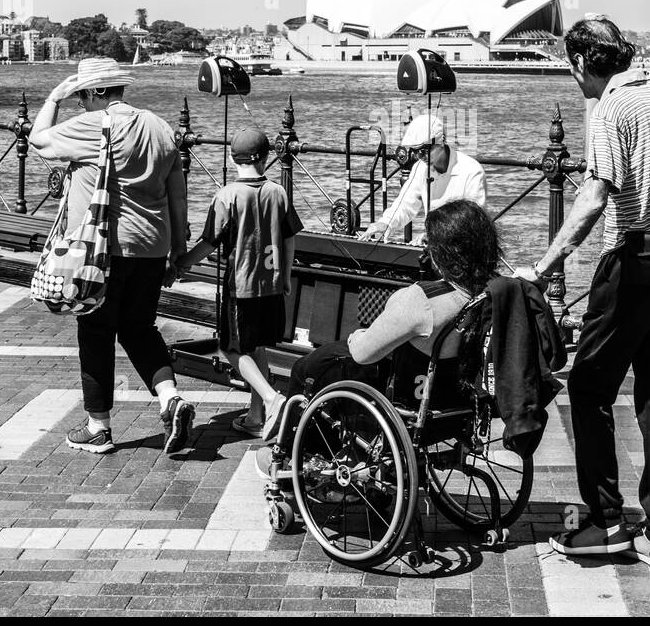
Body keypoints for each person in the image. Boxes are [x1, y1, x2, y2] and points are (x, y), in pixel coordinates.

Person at [515, 15, 650, 568]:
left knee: (588, 386)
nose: (572, 77)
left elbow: (595, 197)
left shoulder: (610, 109)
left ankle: (605, 522)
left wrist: (544, 264)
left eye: (569, 67)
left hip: (634, 262)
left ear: (581, 62)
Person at [255, 198, 501, 474]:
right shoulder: (496, 293)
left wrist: (357, 336)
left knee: (309, 368)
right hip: (460, 399)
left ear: (441, 253)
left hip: (413, 400)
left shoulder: (422, 300)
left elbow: (363, 353)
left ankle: (293, 457)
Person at [29, 56, 196, 456]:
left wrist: (53, 96)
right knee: (140, 328)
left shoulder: (93, 124)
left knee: (96, 332)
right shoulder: (160, 126)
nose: (80, 104)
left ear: (97, 92)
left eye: (81, 96)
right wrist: (178, 250)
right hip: (152, 248)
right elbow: (178, 194)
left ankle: (98, 427)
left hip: (102, 251)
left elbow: (39, 140)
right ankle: (170, 398)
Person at [169, 126, 302, 437]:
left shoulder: (227, 196)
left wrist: (179, 265)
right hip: (271, 285)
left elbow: (208, 243)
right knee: (257, 349)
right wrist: (286, 275)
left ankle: (272, 400)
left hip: (240, 288)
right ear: (267, 158)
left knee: (230, 349)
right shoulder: (278, 192)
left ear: (232, 158)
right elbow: (290, 237)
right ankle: (255, 418)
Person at [363, 114, 487, 243]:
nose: (420, 156)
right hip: (434, 245)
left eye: (424, 150)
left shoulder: (472, 171)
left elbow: (473, 222)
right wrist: (386, 223)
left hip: (464, 247)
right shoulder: (420, 168)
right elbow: (405, 203)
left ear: (441, 142)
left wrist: (435, 235)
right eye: (415, 152)